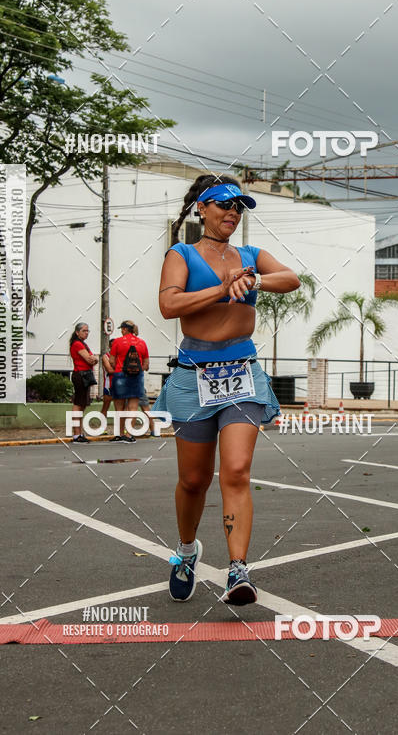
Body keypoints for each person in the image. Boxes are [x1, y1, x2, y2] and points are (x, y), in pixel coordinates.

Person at [154, 174, 300, 605]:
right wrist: (222, 288)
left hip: (241, 374)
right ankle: (185, 552)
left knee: (236, 471)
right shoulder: (181, 254)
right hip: (193, 375)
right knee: (194, 480)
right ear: (201, 208)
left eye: (240, 207)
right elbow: (168, 305)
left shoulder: (251, 256)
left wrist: (252, 280)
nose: (232, 213)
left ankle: (238, 571)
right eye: (223, 204)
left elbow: (291, 279)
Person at [110, 320, 150, 443]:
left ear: (125, 329)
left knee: (119, 408)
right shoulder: (142, 343)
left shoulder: (117, 342)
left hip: (120, 374)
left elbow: (112, 361)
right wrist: (137, 370)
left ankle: (119, 434)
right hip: (136, 377)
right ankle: (129, 434)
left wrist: (120, 368)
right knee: (133, 407)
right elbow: (146, 365)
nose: (121, 331)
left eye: (122, 329)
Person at [69, 322, 98, 442]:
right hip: (80, 374)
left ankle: (79, 432)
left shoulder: (83, 344)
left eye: (87, 331)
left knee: (83, 404)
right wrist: (93, 359)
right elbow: (90, 359)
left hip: (85, 375)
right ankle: (76, 433)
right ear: (77, 332)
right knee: (78, 403)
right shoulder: (77, 344)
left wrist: (94, 359)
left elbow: (93, 359)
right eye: (84, 331)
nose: (86, 333)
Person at [100, 339, 115, 433]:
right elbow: (109, 370)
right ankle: (102, 428)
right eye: (112, 346)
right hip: (109, 385)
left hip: (120, 385)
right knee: (105, 406)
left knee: (121, 408)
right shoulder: (106, 356)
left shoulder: (120, 356)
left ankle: (122, 429)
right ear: (109, 346)